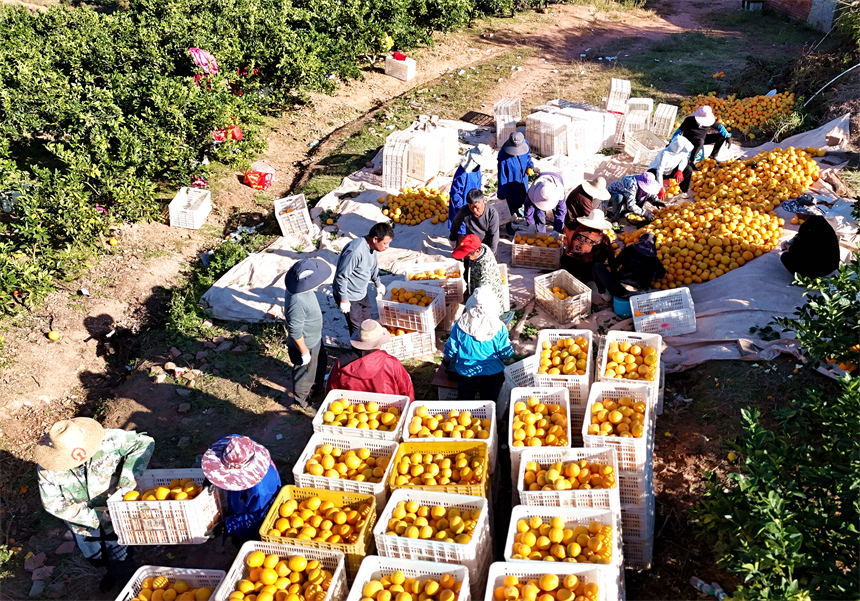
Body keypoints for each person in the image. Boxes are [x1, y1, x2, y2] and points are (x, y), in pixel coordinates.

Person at [36, 418, 154, 591]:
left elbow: (144, 443)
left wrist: (127, 481)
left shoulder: (109, 440)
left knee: (121, 557)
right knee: (94, 557)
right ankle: (111, 571)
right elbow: (52, 502)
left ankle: (128, 583)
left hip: (116, 518)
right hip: (83, 525)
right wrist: (96, 516)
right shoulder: (48, 468)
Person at [202, 435, 281, 544]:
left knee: (244, 539)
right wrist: (213, 476)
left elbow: (257, 518)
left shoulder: (261, 491)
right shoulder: (237, 445)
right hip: (239, 499)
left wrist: (227, 526)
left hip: (254, 517)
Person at [443, 286, 514, 401]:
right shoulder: (499, 327)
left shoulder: (460, 325)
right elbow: (506, 353)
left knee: (465, 402)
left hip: (466, 373)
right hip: (492, 374)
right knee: (489, 401)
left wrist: (446, 361)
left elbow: (451, 350)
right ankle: (490, 417)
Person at [326, 319, 415, 401]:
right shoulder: (392, 363)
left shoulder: (341, 364)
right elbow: (406, 390)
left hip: (352, 414)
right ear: (380, 342)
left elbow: (332, 393)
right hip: (390, 414)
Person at [283, 258, 331, 409]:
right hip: (305, 345)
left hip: (315, 340)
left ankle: (317, 394)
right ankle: (302, 402)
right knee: (305, 376)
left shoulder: (303, 289)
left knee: (320, 366)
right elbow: (295, 331)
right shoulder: (296, 301)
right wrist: (304, 352)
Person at [333, 222, 394, 335]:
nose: (387, 247)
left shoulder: (372, 248)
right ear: (375, 239)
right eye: (385, 243)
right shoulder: (355, 252)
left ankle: (368, 349)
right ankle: (359, 351)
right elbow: (341, 277)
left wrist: (378, 283)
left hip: (361, 292)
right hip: (350, 295)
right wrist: (344, 299)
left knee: (367, 323)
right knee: (358, 330)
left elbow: (373, 267)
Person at [779, 197, 840, 279]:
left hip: (822, 268)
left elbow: (798, 250)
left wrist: (786, 245)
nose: (795, 213)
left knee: (786, 257)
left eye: (797, 211)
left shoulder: (807, 228)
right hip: (832, 264)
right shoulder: (820, 220)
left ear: (803, 213)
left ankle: (807, 278)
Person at [593, 233, 666, 300]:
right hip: (639, 295)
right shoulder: (654, 259)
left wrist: (615, 276)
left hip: (619, 290)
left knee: (597, 265)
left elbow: (614, 264)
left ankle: (604, 295)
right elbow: (661, 274)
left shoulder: (630, 249)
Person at [452, 233, 505, 312]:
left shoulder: (485, 272)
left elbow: (482, 298)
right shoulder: (483, 247)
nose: (464, 258)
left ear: (477, 251)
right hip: (477, 289)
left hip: (488, 304)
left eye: (466, 256)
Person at [448, 145, 492, 237]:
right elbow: (455, 192)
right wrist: (461, 207)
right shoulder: (463, 173)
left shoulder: (476, 169)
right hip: (464, 203)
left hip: (472, 202)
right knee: (461, 227)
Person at [561, 209, 614, 283]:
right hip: (585, 269)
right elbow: (610, 254)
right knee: (606, 249)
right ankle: (590, 275)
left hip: (568, 263)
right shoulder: (603, 238)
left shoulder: (579, 229)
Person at [497, 132, 535, 235]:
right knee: (510, 203)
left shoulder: (525, 144)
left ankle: (517, 209)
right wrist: (502, 194)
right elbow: (502, 176)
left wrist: (530, 166)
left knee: (523, 196)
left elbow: (528, 157)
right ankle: (509, 225)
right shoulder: (503, 156)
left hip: (522, 179)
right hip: (510, 184)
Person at [449, 189, 500, 254]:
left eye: (476, 207)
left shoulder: (491, 213)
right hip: (471, 243)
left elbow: (494, 236)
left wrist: (491, 253)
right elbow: (455, 223)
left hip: (486, 244)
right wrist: (452, 238)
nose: (474, 210)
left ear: (483, 201)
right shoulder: (465, 210)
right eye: (471, 207)